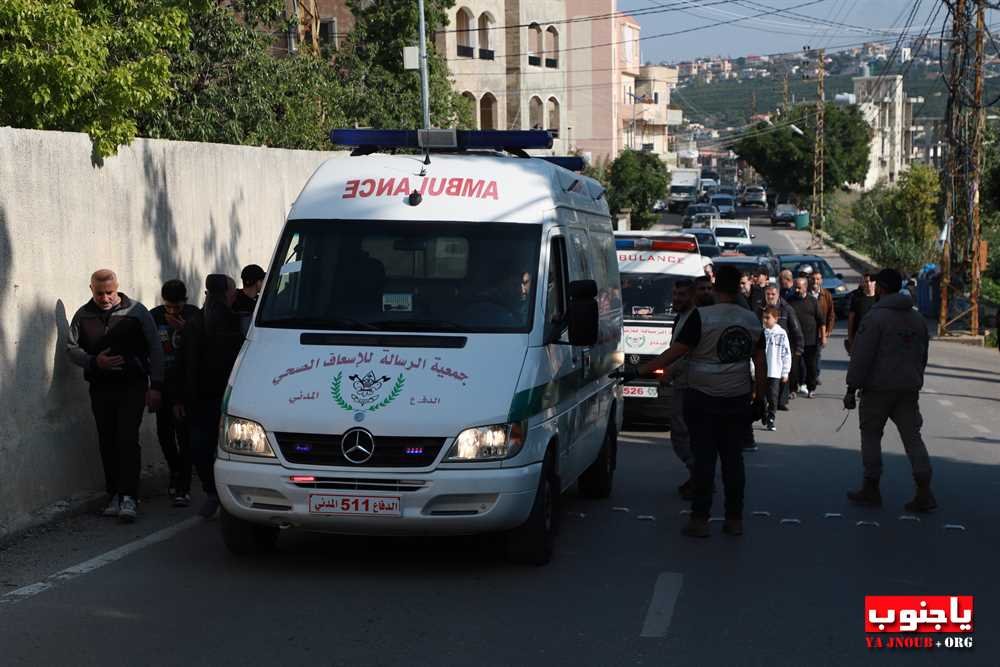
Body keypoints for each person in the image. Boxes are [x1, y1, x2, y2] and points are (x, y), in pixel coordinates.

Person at [632, 265, 767, 538]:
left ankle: (700, 519)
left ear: (716, 287)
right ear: (739, 287)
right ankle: (734, 519)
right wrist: (759, 398)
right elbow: (761, 363)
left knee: (705, 460)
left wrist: (641, 370)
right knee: (733, 461)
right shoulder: (751, 319)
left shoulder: (702, 317)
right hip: (737, 398)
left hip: (702, 398)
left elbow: (676, 352)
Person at [67, 269, 164, 523]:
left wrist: (156, 386)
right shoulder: (83, 315)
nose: (105, 298)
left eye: (109, 292)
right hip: (101, 388)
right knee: (107, 440)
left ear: (117, 287)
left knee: (127, 438)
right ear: (91, 289)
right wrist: (93, 361)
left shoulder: (137, 312)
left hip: (132, 386)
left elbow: (155, 348)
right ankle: (114, 495)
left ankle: (129, 496)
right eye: (99, 293)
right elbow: (71, 348)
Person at [844, 269, 936, 513]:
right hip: (908, 389)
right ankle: (924, 491)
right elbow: (923, 355)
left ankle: (871, 488)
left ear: (882, 288)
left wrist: (851, 388)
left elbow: (861, 356)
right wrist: (915, 379)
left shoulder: (875, 318)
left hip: (878, 389)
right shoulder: (916, 319)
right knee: (913, 438)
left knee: (872, 435)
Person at [183, 274, 245, 518]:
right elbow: (186, 362)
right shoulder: (202, 322)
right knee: (207, 447)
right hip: (213, 397)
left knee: (208, 447)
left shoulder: (203, 321)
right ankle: (216, 493)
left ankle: (218, 494)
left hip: (217, 397)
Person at [149, 280, 200, 507]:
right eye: (168, 307)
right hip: (162, 384)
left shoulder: (194, 316)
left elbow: (202, 348)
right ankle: (176, 471)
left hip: (186, 387)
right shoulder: (154, 317)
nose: (172, 312)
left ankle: (183, 486)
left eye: (177, 307)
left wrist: (184, 330)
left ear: (184, 303)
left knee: (184, 437)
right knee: (164, 433)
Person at [665, 279, 696, 499]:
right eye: (675, 294)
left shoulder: (694, 318)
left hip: (688, 384)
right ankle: (697, 476)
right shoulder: (681, 317)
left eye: (682, 295)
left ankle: (699, 476)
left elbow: (687, 353)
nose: (677, 299)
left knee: (682, 433)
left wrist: (669, 371)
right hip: (682, 382)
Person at [762, 284, 803, 409]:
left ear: (778, 294)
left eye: (773, 294)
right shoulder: (760, 308)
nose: (770, 297)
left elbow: (795, 327)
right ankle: (764, 401)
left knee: (783, 375)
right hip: (765, 346)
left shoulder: (786, 308)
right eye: (768, 294)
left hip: (782, 346)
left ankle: (781, 401)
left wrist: (799, 346)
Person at [787, 277, 824, 398]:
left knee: (811, 366)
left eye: (799, 287)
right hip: (795, 341)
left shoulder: (813, 301)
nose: (797, 290)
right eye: (795, 287)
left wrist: (823, 337)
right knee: (793, 367)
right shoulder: (790, 301)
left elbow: (821, 321)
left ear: (805, 287)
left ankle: (811, 388)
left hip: (810, 340)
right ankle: (793, 389)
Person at [762, 306, 791, 431]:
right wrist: (753, 369)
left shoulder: (781, 334)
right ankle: (763, 414)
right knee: (761, 397)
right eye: (763, 317)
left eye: (768, 318)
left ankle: (771, 419)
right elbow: (754, 354)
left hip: (775, 371)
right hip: (762, 371)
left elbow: (786, 353)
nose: (765, 320)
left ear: (776, 319)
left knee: (773, 397)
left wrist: (785, 372)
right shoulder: (761, 333)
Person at [809, 271, 835, 385]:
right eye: (813, 279)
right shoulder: (806, 294)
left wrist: (828, 330)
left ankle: (815, 375)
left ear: (821, 280)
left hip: (820, 331)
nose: (815, 281)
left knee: (816, 354)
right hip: (807, 330)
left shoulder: (826, 295)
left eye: (818, 279)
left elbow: (831, 314)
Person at [846, 272, 877, 354]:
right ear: (863, 283)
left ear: (875, 283)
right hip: (859, 338)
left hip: (876, 339)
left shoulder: (879, 298)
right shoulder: (857, 298)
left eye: (871, 281)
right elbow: (851, 319)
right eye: (866, 281)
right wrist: (850, 339)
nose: (869, 284)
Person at [233, 264, 266, 334]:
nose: (264, 283)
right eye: (263, 280)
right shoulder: (239, 304)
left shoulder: (234, 297)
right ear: (258, 282)